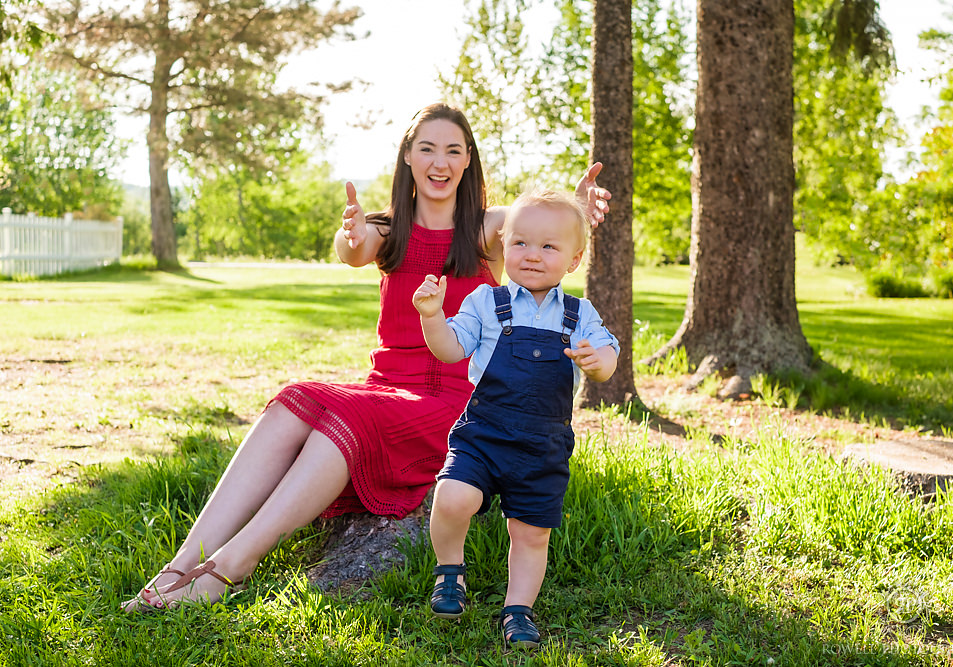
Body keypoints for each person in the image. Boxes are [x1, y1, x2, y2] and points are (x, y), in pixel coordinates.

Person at [120, 103, 612, 611]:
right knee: (294, 400)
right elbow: (353, 247)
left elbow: (541, 222)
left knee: (348, 419)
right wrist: (349, 233)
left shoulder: (488, 228)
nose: (439, 162)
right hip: (388, 386)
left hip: (459, 400)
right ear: (407, 156)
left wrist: (574, 206)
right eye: (427, 148)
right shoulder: (387, 229)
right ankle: (183, 563)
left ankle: (227, 569)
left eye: (453, 150)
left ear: (468, 161)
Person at [411, 189, 619, 648]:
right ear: (504, 245)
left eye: (549, 247)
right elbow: (449, 349)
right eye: (521, 243)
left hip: (542, 445)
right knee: (451, 497)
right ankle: (450, 571)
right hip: (483, 434)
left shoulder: (579, 314)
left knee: (530, 533)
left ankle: (518, 609)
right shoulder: (487, 302)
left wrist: (595, 359)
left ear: (574, 259)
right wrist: (431, 316)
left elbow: (608, 359)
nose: (532, 255)